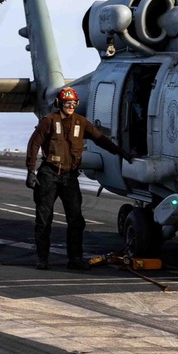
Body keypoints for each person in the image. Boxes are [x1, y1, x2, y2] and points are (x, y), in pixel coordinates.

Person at [25, 87, 133, 271]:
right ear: (59, 103)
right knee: (44, 220)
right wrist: (31, 171)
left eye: (74, 103)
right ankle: (42, 259)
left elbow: (101, 139)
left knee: (76, 220)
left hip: (69, 177)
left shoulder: (80, 122)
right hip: (49, 175)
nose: (71, 106)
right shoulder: (48, 121)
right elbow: (34, 144)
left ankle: (75, 259)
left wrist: (122, 153)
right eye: (67, 103)